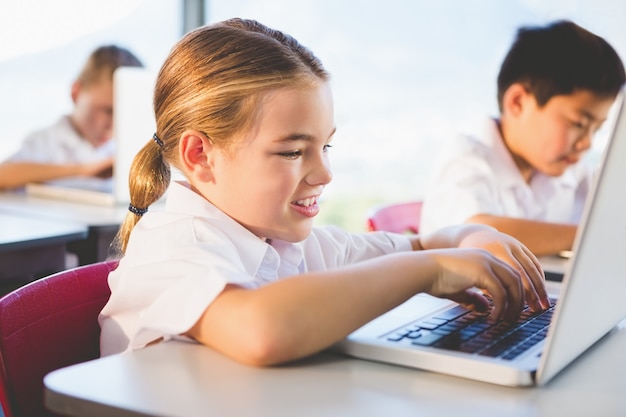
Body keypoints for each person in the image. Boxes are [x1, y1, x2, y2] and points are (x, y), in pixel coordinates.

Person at [98, 18, 550, 365]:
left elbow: (423, 241)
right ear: (200, 155)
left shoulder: (295, 245)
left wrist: (468, 240)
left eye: (325, 146)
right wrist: (428, 270)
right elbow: (261, 329)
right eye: (293, 152)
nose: (325, 173)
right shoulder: (172, 246)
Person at [419, 20, 625, 257]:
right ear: (517, 102)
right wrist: (589, 236)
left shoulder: (570, 172)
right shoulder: (467, 158)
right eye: (578, 124)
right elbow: (474, 235)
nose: (587, 143)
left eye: (596, 129)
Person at [0, 45, 143, 190]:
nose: (113, 125)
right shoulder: (46, 142)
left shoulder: (121, 148)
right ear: (76, 93)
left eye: (122, 113)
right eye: (108, 111)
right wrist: (83, 170)